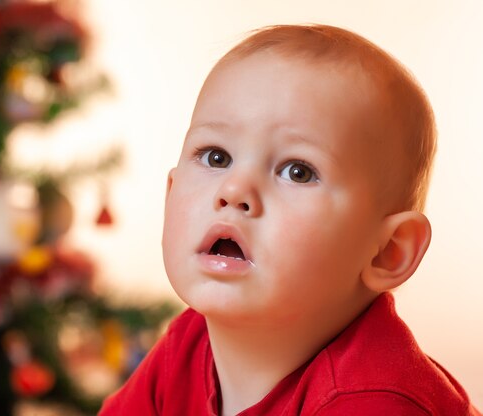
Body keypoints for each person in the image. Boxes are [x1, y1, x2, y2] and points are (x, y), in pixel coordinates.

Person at [99, 24, 481, 415]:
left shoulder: (372, 401)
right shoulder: (189, 342)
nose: (234, 191)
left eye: (297, 171)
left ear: (388, 252)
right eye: (217, 157)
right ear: (170, 192)